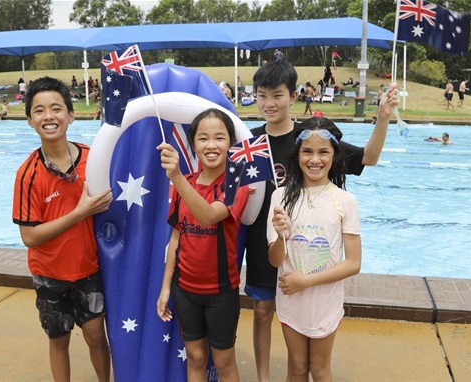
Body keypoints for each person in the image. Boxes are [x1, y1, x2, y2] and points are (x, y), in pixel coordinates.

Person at [244, 60, 399, 382]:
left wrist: (382, 118)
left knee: (308, 355)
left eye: (277, 95)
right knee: (261, 312)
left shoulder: (311, 138)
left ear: (293, 95)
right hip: (269, 240)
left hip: (307, 249)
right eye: (262, 96)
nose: (269, 104)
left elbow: (368, 157)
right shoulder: (248, 141)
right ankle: (261, 378)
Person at [12, 76, 113, 382]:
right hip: (49, 274)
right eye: (39, 110)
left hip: (88, 268)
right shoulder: (28, 175)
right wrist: (79, 212)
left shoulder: (93, 160)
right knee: (59, 339)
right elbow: (29, 237)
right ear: (30, 120)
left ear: (70, 115)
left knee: (96, 335)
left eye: (56, 108)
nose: (49, 116)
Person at [156, 108, 249, 382]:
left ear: (231, 144)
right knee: (196, 357)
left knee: (224, 362)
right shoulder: (185, 184)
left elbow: (209, 215)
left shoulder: (237, 184)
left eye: (219, 138)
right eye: (203, 138)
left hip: (221, 292)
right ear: (193, 144)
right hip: (185, 291)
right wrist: (165, 288)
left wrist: (177, 177)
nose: (211, 145)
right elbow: (176, 237)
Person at [267, 117, 361, 381]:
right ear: (297, 154)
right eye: (307, 151)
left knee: (319, 369)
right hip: (290, 298)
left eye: (323, 152)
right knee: (296, 367)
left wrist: (304, 281)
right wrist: (278, 234)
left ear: (334, 156)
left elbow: (353, 263)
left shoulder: (345, 201)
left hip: (324, 301)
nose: (314, 159)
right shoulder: (280, 197)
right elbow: (275, 260)